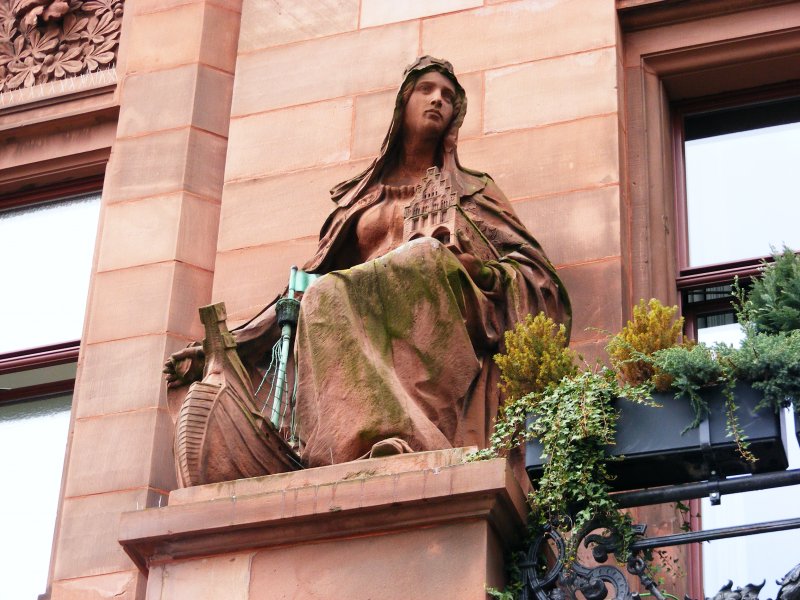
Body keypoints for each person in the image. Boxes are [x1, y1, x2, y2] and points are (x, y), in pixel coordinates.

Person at [165, 56, 570, 473]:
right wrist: (234, 342)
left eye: (448, 97)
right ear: (403, 104)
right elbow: (304, 287)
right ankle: (366, 441)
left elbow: (538, 278)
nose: (438, 101)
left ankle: (410, 435)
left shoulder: (472, 190)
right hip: (366, 312)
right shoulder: (362, 200)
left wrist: (481, 271)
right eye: (426, 90)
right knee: (323, 296)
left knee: (423, 253)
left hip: (443, 304)